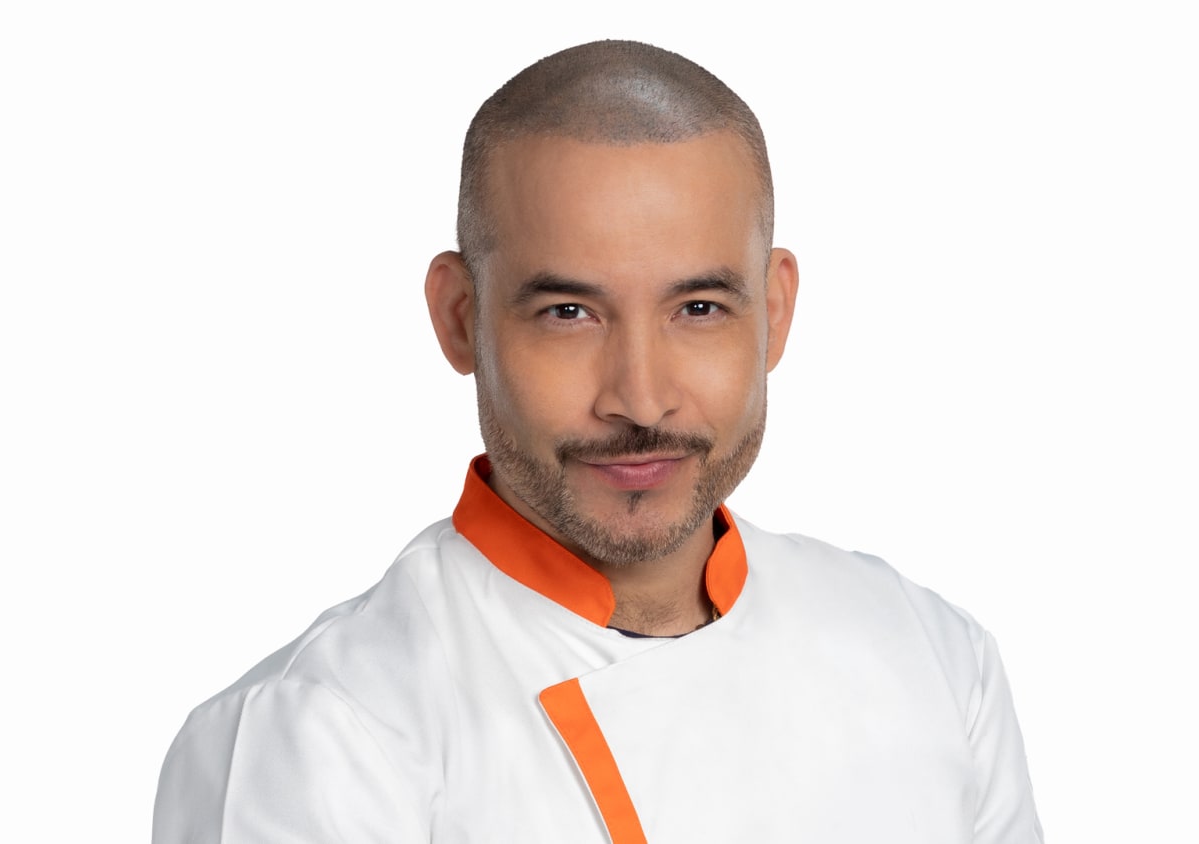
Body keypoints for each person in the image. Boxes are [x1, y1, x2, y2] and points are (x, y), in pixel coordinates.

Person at [153, 39, 1043, 843]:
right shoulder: (320, 737)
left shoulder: (934, 657)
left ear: (774, 312)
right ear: (460, 318)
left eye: (699, 308)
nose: (640, 397)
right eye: (569, 313)